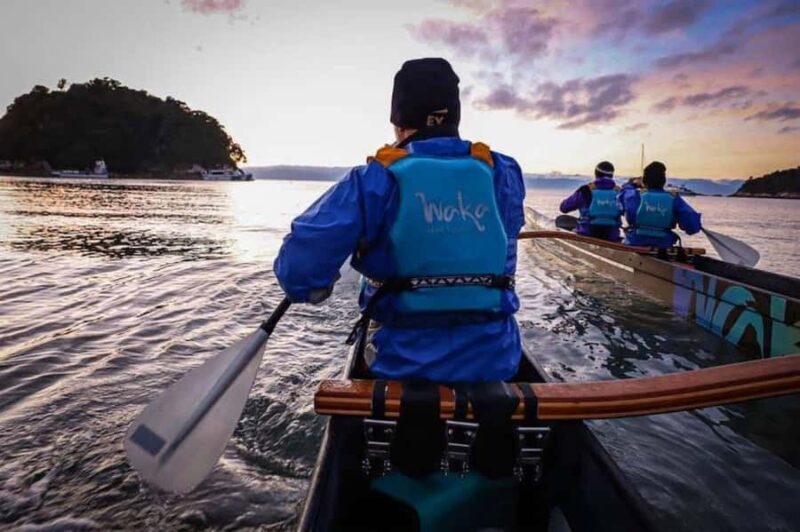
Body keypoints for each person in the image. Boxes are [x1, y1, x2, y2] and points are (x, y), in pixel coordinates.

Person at [274, 58, 525, 383]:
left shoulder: (372, 180)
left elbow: (298, 273)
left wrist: (316, 287)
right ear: (454, 115)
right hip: (496, 361)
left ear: (399, 123)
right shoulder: (505, 172)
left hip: (399, 365)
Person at [619, 161, 702, 247]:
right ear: (663, 181)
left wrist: (632, 183)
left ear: (644, 181)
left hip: (635, 242)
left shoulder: (634, 196)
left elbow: (623, 194)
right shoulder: (674, 199)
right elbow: (693, 227)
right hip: (664, 244)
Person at [558, 161, 622, 241]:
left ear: (596, 174)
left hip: (586, 234)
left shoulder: (585, 190)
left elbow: (564, 208)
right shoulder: (620, 192)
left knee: (566, 222)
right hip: (612, 236)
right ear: (612, 175)